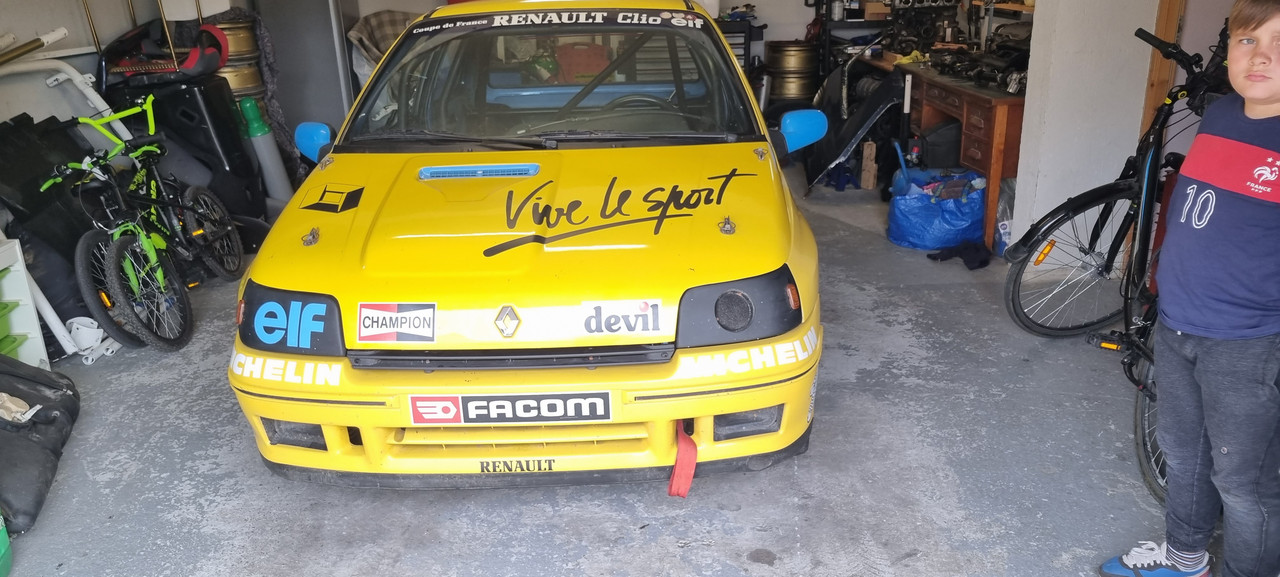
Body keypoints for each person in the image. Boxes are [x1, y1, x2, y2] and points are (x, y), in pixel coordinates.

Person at [1100, 1, 1280, 576]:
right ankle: (1185, 559)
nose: (1261, 56)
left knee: (1244, 482)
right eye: (1249, 40)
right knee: (1183, 452)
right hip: (1179, 322)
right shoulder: (1221, 114)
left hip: (1249, 341)